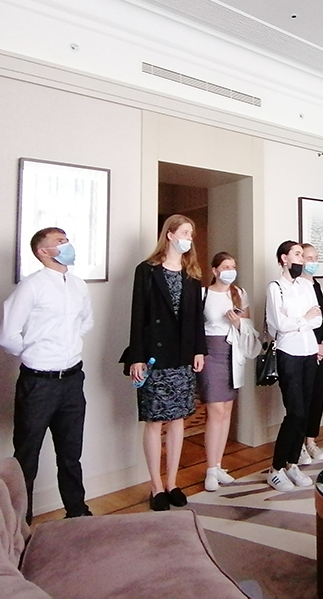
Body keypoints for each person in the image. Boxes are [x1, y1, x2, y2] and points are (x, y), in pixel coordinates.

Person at [0, 227, 94, 522]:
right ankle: (21, 523)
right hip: (38, 382)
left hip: (73, 379)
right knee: (26, 456)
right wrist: (36, 353)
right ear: (42, 251)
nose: (67, 245)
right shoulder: (31, 286)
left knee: (71, 453)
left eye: (67, 240)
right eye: (60, 241)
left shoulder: (78, 285)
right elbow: (7, 335)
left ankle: (77, 512)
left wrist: (65, 347)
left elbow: (86, 322)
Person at [120, 215, 206, 511]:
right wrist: (137, 357)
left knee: (179, 419)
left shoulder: (192, 273)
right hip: (154, 356)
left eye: (191, 234)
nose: (189, 238)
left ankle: (172, 483)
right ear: (169, 235)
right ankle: (156, 485)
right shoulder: (146, 270)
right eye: (185, 232)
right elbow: (138, 316)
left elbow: (196, 318)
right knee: (155, 421)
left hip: (182, 356)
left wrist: (199, 351)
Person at [265, 241, 323, 491]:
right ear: (284, 258)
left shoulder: (306, 286)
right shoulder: (275, 287)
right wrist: (304, 319)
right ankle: (276, 468)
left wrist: (298, 321)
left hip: (309, 352)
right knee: (295, 412)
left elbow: (318, 318)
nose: (302, 259)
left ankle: (292, 464)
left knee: (306, 411)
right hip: (288, 354)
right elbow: (279, 325)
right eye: (297, 254)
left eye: (302, 255)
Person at [198, 251, 249, 491]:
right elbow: (195, 327)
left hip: (233, 352)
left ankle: (218, 465)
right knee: (215, 410)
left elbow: (247, 325)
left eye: (233, 266)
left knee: (227, 409)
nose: (230, 271)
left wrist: (238, 322)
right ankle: (210, 468)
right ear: (215, 270)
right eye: (226, 267)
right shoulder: (203, 294)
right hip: (210, 352)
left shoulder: (239, 293)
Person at [300, 243, 323, 465]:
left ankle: (311, 440)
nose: (312, 262)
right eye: (308, 258)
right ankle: (298, 444)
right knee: (301, 398)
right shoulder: (294, 288)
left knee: (318, 395)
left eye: (315, 258)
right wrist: (313, 347)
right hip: (303, 350)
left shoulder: (321, 288)